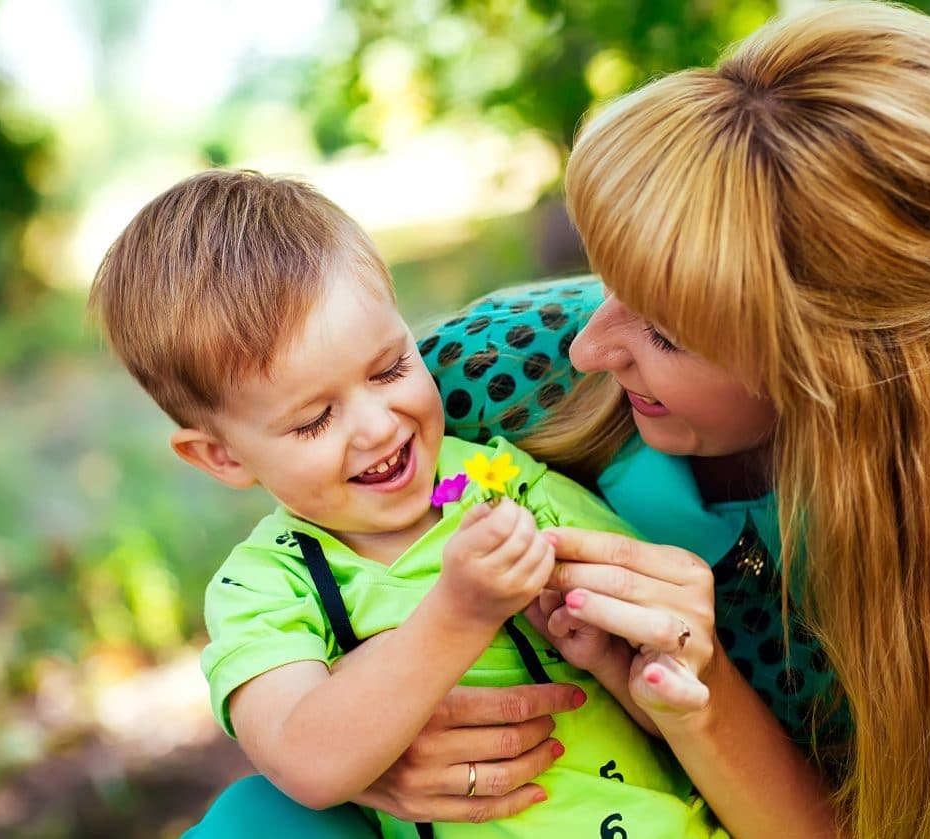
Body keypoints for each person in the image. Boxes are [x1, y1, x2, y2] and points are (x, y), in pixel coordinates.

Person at [185, 2, 930, 837]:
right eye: (610, 277)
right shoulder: (489, 370)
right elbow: (306, 527)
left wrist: (699, 692)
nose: (588, 346)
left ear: (826, 370)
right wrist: (370, 751)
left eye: (664, 330)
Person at [89, 168, 731, 838]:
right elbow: (304, 760)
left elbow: (666, 642)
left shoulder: (502, 477)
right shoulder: (266, 587)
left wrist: (638, 664)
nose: (378, 425)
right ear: (221, 455)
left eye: (390, 368)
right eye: (314, 419)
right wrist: (458, 612)